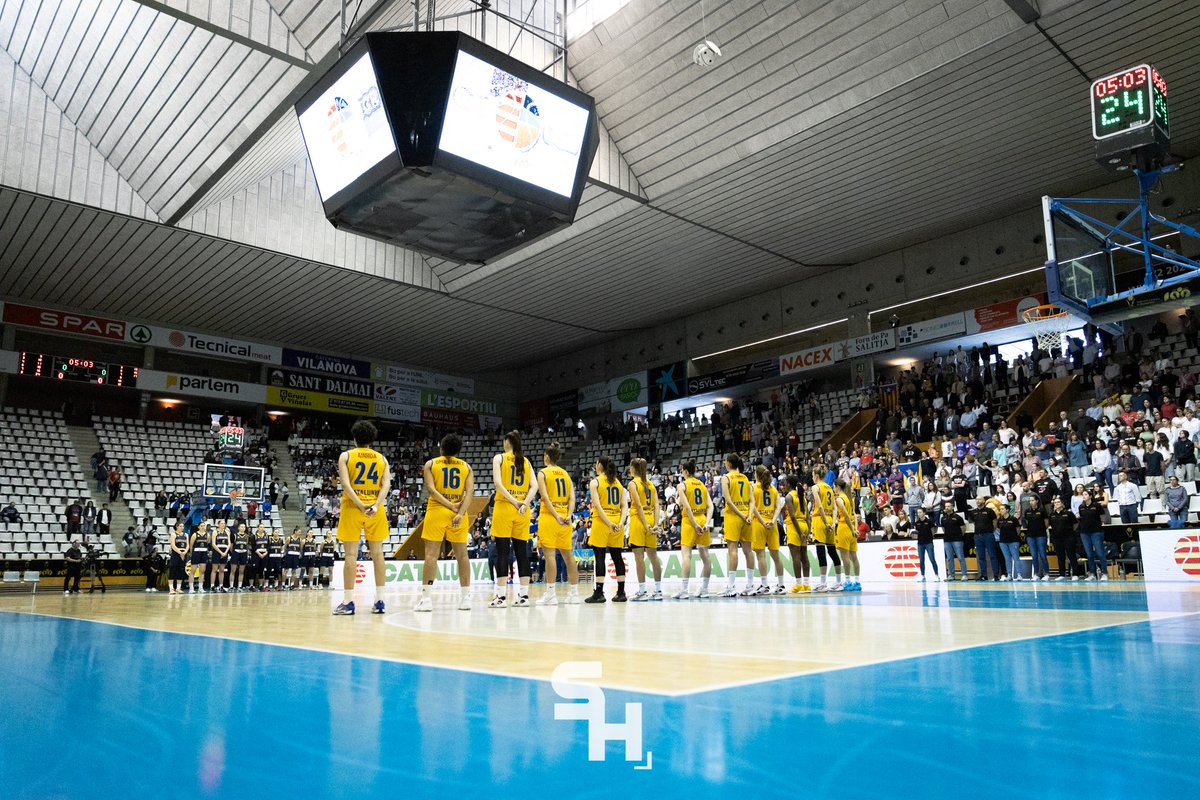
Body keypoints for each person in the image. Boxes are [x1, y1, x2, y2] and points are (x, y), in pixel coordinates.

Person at [333, 421, 392, 616]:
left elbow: (345, 484)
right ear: (372, 439)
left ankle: (349, 602)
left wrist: (360, 504)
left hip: (352, 507)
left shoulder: (346, 456)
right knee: (378, 554)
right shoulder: (382, 458)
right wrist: (375, 505)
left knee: (350, 555)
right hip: (376, 509)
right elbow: (386, 485)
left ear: (354, 437)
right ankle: (380, 600)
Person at [415, 434, 474, 612]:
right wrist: (460, 512)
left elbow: (431, 490)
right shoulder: (466, 467)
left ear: (441, 448)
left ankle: (426, 600)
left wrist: (449, 505)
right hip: (459, 513)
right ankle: (465, 598)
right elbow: (470, 492)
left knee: (431, 556)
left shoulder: (431, 464)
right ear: (458, 451)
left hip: (437, 510)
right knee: (462, 556)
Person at [489, 431, 537, 608]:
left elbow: (498, 484)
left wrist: (514, 501)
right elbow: (535, 486)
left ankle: (500, 598)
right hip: (523, 511)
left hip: (504, 507)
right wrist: (524, 502)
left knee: (502, 553)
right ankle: (524, 596)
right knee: (522, 553)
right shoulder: (525, 461)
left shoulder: (499, 458)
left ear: (507, 442)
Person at [535, 442, 581, 605]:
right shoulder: (565, 474)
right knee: (569, 556)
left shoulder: (543, 473)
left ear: (547, 456)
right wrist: (568, 515)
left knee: (549, 556)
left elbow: (545, 498)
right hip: (565, 518)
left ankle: (551, 594)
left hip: (550, 517)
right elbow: (572, 498)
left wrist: (555, 515)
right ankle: (575, 594)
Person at [586, 456, 629, 604]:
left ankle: (599, 592)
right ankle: (621, 592)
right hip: (617, 521)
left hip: (602, 522)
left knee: (600, 557)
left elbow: (597, 505)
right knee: (617, 557)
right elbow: (625, 506)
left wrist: (608, 522)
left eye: (596, 463)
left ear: (600, 466)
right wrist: (620, 522)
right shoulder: (619, 484)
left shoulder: (595, 482)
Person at [674, 460, 713, 599]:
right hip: (703, 519)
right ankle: (705, 589)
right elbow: (711, 506)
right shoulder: (702, 484)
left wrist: (695, 524)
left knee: (686, 555)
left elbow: (687, 507)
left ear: (685, 471)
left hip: (690, 521)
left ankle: (684, 590)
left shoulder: (682, 485)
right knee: (705, 555)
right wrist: (706, 523)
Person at [626, 457, 664, 602]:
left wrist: (645, 524)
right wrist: (655, 524)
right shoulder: (651, 484)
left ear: (633, 469)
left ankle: (642, 591)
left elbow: (638, 506)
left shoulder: (633, 484)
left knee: (639, 558)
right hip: (650, 518)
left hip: (638, 520)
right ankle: (658, 590)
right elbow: (657, 505)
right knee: (653, 557)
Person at [719, 454, 754, 597]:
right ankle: (750, 585)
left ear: (728, 463)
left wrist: (741, 515)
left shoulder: (726, 478)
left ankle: (731, 586)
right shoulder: (745, 478)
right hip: (747, 517)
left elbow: (728, 500)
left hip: (734, 516)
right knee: (748, 551)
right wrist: (749, 515)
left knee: (732, 550)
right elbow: (752, 500)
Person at [749, 466, 785, 594]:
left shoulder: (753, 488)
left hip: (759, 523)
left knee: (760, 555)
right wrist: (773, 520)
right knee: (776, 556)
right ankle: (781, 585)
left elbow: (753, 507)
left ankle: (764, 585)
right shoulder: (774, 489)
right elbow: (778, 507)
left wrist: (763, 521)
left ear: (757, 475)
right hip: (772, 524)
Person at [810, 468, 843, 591]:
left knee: (820, 550)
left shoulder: (815, 487)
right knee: (832, 551)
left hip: (820, 519)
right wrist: (833, 522)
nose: (812, 477)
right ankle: (838, 582)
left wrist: (824, 521)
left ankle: (823, 583)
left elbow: (819, 507)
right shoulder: (829, 487)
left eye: (813, 474)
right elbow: (834, 508)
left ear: (817, 475)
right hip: (830, 519)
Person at [782, 475, 812, 592]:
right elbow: (808, 517)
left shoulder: (789, 497)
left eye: (785, 483)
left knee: (796, 557)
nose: (784, 485)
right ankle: (806, 584)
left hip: (795, 527)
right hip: (804, 525)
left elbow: (793, 517)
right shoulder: (802, 496)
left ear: (789, 484)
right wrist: (808, 532)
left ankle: (798, 584)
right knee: (805, 556)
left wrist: (799, 532)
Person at [1077, 489, 1108, 581]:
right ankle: (1092, 574)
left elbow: (1103, 517)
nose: (1084, 496)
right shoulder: (1081, 507)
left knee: (1100, 553)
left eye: (1086, 494)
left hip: (1096, 531)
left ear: (1090, 496)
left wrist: (1100, 524)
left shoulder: (1097, 506)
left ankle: (1104, 573)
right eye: (1083, 494)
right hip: (1084, 533)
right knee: (1089, 554)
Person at [1047, 498, 1079, 580]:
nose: (1056, 504)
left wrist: (1070, 532)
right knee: (1060, 556)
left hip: (1068, 537)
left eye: (1058, 502)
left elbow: (1075, 525)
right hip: (1057, 538)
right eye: (1055, 503)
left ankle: (1075, 574)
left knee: (1071, 555)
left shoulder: (1068, 513)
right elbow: (1049, 525)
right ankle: (1062, 574)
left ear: (1062, 503)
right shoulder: (1052, 515)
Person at [969, 500, 1000, 581]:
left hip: (988, 535)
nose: (978, 501)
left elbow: (995, 521)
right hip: (978, 536)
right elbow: (971, 521)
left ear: (983, 501)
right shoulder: (973, 512)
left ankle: (996, 575)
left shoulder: (989, 511)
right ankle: (983, 575)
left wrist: (991, 530)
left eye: (980, 499)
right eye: (976, 499)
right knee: (981, 556)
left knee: (992, 555)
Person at [1023, 496, 1050, 581]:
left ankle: (1046, 573)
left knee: (1042, 555)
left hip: (1041, 535)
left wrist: (1041, 529)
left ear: (1037, 501)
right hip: (1030, 536)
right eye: (1030, 500)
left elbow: (1046, 522)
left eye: (1032, 500)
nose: (1031, 502)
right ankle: (1036, 574)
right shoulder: (1027, 511)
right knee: (1034, 556)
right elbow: (1025, 522)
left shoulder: (1042, 510)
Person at [940, 502, 967, 580]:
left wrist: (958, 535)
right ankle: (951, 575)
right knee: (949, 558)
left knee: (960, 557)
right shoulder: (943, 518)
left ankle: (964, 574)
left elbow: (963, 528)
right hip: (947, 540)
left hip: (957, 540)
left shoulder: (958, 517)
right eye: (946, 506)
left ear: (952, 507)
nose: (947, 508)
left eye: (949, 506)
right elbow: (943, 529)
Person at [996, 505, 1022, 582]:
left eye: (1002, 509)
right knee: (1007, 558)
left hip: (1013, 541)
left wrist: (1013, 537)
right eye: (1000, 509)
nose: (1001, 510)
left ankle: (1019, 574)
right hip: (1003, 542)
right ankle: (1009, 574)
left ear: (1007, 510)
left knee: (1016, 558)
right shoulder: (999, 520)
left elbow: (1018, 530)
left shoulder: (1013, 519)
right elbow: (998, 529)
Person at [913, 508, 939, 582]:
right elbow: (916, 532)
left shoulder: (929, 521)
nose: (919, 514)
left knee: (932, 559)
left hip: (929, 543)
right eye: (918, 513)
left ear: (924, 513)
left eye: (920, 512)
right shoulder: (917, 522)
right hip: (920, 543)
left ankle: (936, 575)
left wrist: (931, 535)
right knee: (921, 561)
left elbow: (935, 528)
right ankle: (922, 575)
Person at [189, 522, 210, 593]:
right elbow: (191, 545)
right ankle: (191, 588)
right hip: (196, 553)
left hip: (204, 553)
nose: (203, 527)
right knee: (193, 571)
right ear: (198, 527)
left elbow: (207, 544)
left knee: (202, 571)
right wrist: (192, 553)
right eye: (201, 526)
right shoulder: (195, 535)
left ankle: (200, 587)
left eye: (204, 526)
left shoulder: (208, 535)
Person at [168, 523, 188, 594]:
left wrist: (185, 552)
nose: (182, 527)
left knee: (181, 571)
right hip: (176, 554)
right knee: (173, 571)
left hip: (183, 554)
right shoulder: (174, 534)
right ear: (177, 527)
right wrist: (180, 552)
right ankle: (171, 588)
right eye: (180, 526)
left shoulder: (186, 535)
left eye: (183, 526)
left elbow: (187, 545)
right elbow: (173, 545)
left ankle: (178, 588)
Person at [211, 520, 231, 592]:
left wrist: (225, 552)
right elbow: (213, 544)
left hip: (224, 551)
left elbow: (229, 543)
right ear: (218, 524)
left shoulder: (227, 532)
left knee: (222, 570)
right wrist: (220, 552)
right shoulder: (215, 532)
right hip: (217, 551)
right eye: (222, 523)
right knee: (215, 569)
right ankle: (212, 586)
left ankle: (221, 586)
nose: (223, 524)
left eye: (224, 523)